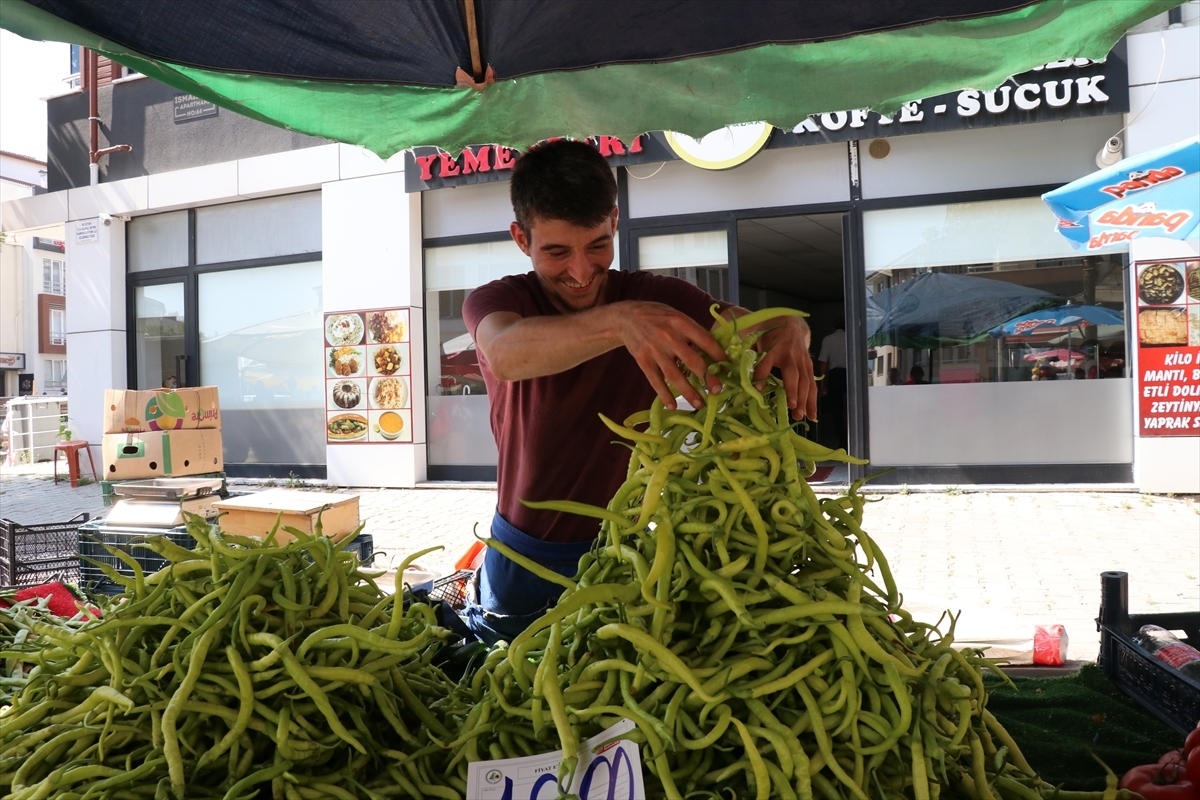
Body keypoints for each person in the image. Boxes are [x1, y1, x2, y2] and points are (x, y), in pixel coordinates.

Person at [461, 140, 818, 642]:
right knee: (517, 688)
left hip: (631, 549)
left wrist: (793, 328)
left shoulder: (659, 300)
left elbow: (756, 329)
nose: (581, 272)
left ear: (615, 221)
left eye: (598, 245)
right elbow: (504, 353)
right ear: (522, 238)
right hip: (526, 553)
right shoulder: (502, 300)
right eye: (557, 251)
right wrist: (618, 323)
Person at [815, 317, 847, 450]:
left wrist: (822, 382)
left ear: (833, 328)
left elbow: (823, 362)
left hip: (835, 376)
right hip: (852, 375)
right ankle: (856, 439)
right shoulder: (852, 338)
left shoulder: (828, 339)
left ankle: (843, 442)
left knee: (838, 411)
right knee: (853, 409)